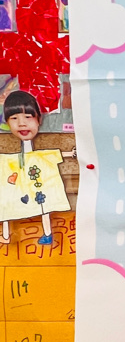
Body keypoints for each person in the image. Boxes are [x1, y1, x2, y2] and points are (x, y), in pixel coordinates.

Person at [0, 90, 72, 245]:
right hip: (19, 181)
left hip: (36, 180)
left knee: (43, 203)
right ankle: (5, 235)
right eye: (14, 118)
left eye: (28, 117)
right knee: (5, 199)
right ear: (7, 122)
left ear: (39, 119)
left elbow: (54, 155)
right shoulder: (7, 159)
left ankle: (47, 233)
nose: (22, 123)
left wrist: (71, 153)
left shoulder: (41, 155)